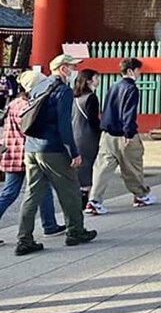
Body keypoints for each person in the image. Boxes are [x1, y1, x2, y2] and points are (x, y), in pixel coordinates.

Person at [16, 54, 97, 256]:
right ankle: (75, 231)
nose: (73, 71)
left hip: (32, 147)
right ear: (62, 69)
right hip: (52, 148)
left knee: (31, 194)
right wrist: (73, 151)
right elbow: (64, 124)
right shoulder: (63, 91)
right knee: (69, 189)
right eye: (71, 67)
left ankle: (24, 239)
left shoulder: (39, 87)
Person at [0, 70, 64, 245]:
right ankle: (49, 225)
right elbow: (29, 127)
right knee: (12, 193)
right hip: (23, 152)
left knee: (38, 188)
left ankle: (50, 225)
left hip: (13, 153)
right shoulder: (25, 105)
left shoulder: (15, 103)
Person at [86, 59, 156, 215]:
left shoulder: (113, 86)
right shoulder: (131, 88)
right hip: (124, 135)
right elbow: (128, 112)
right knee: (132, 167)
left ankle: (94, 200)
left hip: (106, 134)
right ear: (131, 71)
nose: (139, 73)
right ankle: (141, 195)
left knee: (102, 169)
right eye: (138, 70)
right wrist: (129, 132)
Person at [71, 69, 101, 202]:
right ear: (89, 81)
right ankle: (86, 198)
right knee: (88, 166)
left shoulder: (74, 97)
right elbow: (93, 120)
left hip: (74, 135)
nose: (98, 80)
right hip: (88, 137)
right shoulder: (91, 97)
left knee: (79, 166)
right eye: (96, 78)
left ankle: (79, 196)